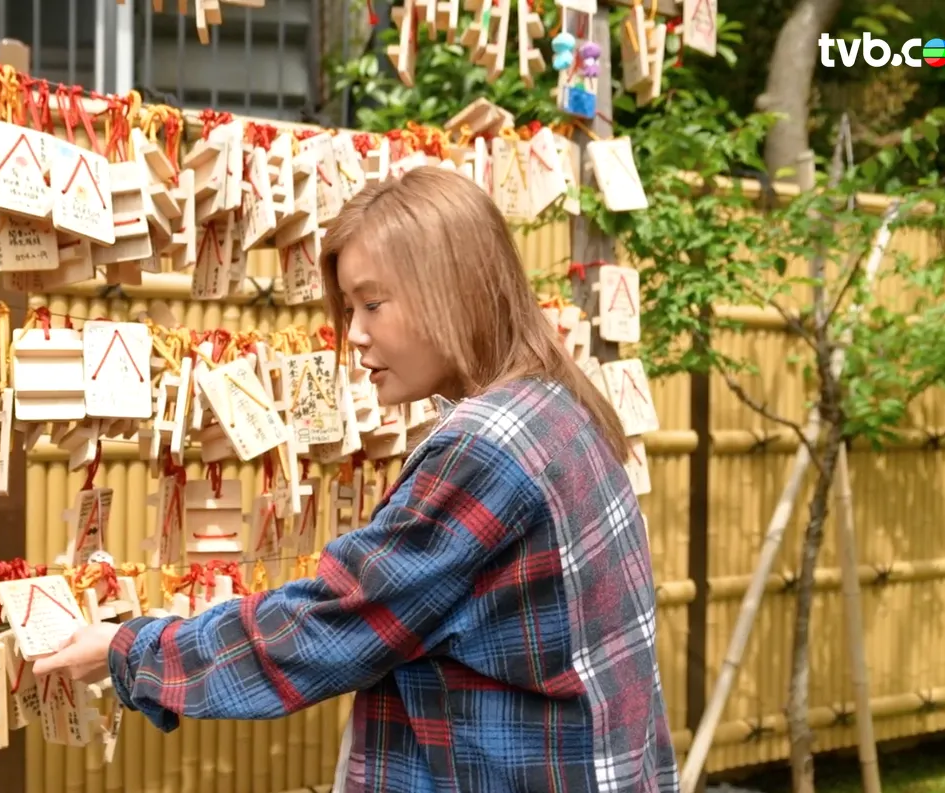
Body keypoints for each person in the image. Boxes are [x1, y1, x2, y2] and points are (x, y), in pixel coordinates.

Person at [35, 166, 678, 792]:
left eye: (372, 303)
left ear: (456, 289)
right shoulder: (556, 401)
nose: (356, 335)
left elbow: (327, 627)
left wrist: (132, 647)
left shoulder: (483, 450)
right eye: (350, 307)